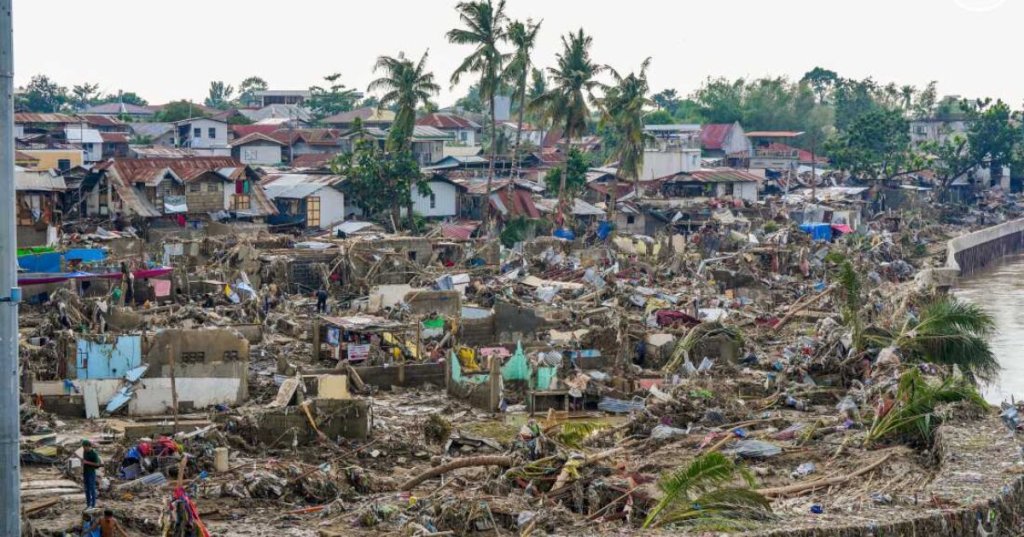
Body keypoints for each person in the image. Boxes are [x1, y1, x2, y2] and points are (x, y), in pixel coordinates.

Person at [81, 439, 101, 509]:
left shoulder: (94, 453)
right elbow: (84, 461)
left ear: (88, 446)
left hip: (91, 472)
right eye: (83, 447)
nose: (84, 448)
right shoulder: (84, 452)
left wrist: (87, 462)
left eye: (84, 447)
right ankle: (88, 504)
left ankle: (93, 504)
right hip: (85, 472)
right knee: (86, 489)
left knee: (92, 488)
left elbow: (97, 464)